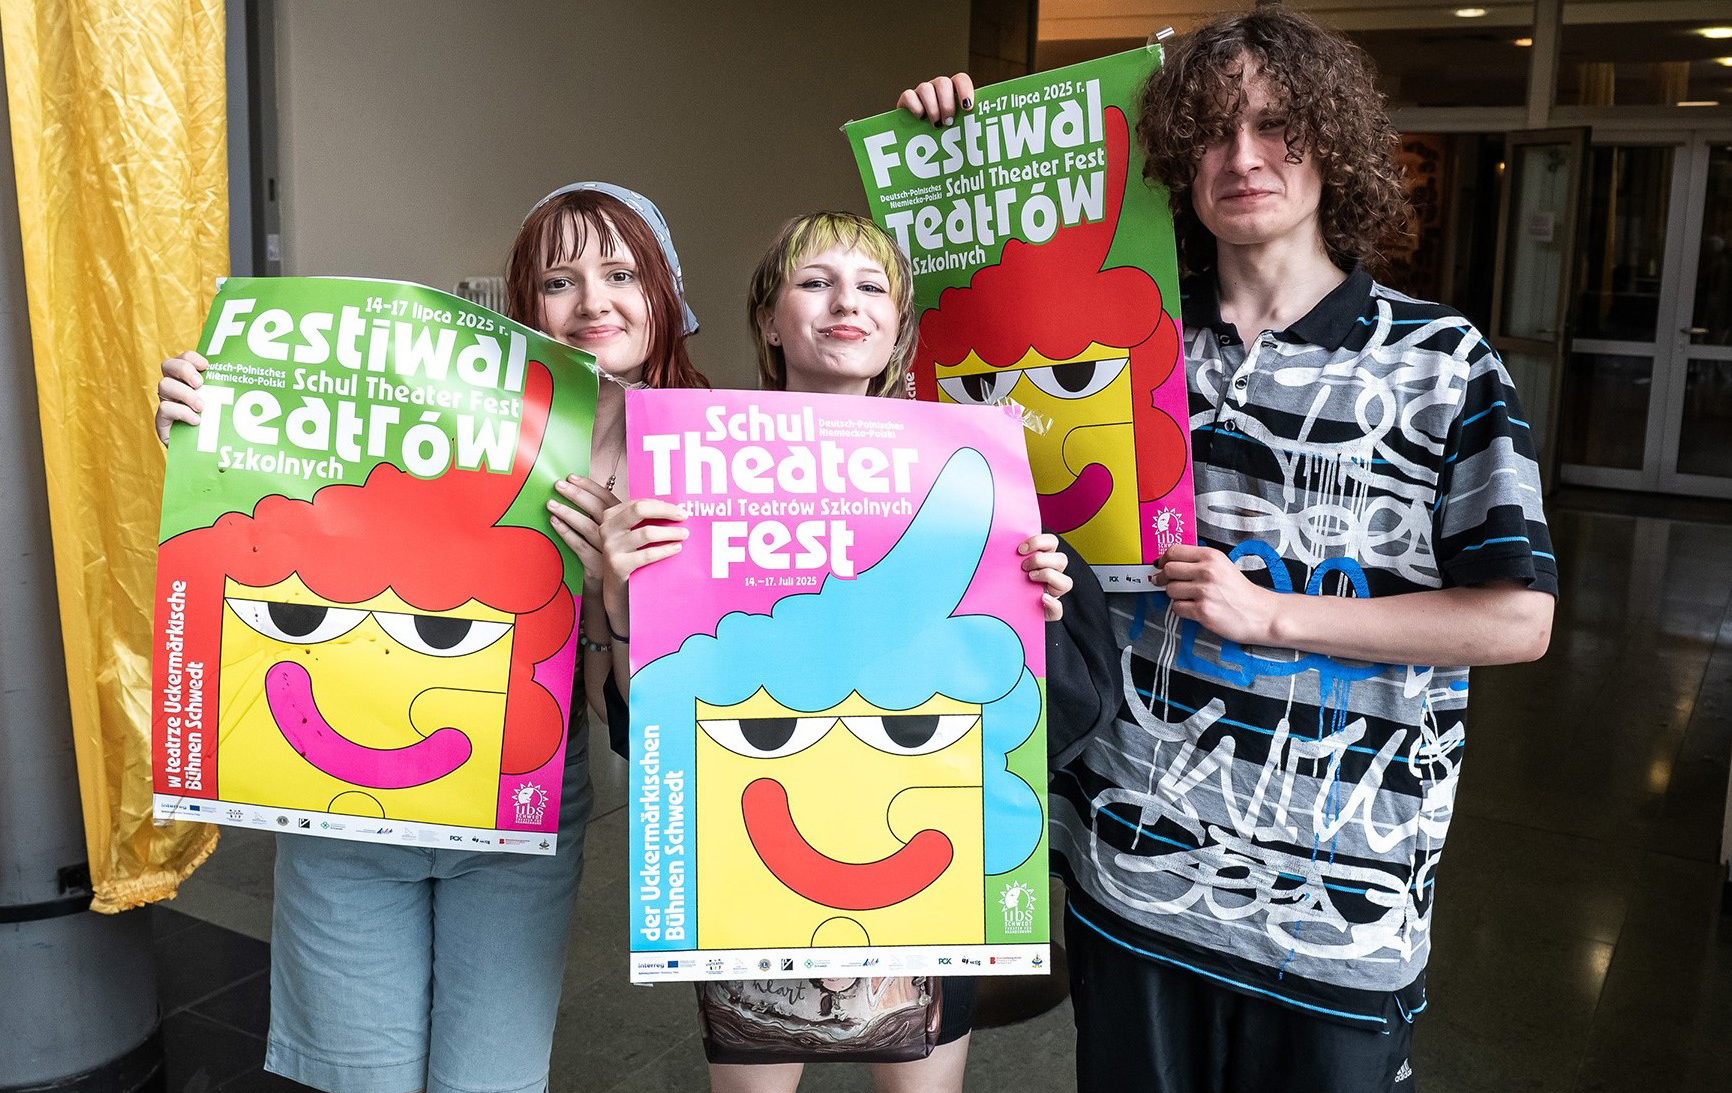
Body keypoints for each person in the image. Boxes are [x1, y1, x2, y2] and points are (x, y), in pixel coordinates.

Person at [899, 9, 1557, 1093]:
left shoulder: (1442, 361)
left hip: (1344, 900)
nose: (1241, 158)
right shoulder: (1109, 348)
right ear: (1173, 164)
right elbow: (913, 388)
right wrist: (957, 152)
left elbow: (1514, 618)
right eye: (1209, 132)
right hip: (1137, 871)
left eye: (1274, 127)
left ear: (1332, 144)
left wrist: (1273, 614)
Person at [152, 182, 706, 1093]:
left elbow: (645, 715)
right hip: (343, 805)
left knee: (487, 1081)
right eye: (559, 281)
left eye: (620, 273)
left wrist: (617, 587)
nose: (593, 302)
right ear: (524, 307)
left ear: (666, 291)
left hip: (522, 807)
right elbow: (289, 496)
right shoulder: (436, 413)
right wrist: (209, 425)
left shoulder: (701, 462)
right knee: (360, 1077)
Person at [597, 211, 1081, 1093]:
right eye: (814, 281)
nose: (844, 302)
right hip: (747, 867)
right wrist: (626, 604)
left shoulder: (965, 466)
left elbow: (1025, 699)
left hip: (934, 853)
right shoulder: (700, 469)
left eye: (870, 286)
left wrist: (1035, 606)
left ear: (899, 323)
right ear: (770, 319)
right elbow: (652, 723)